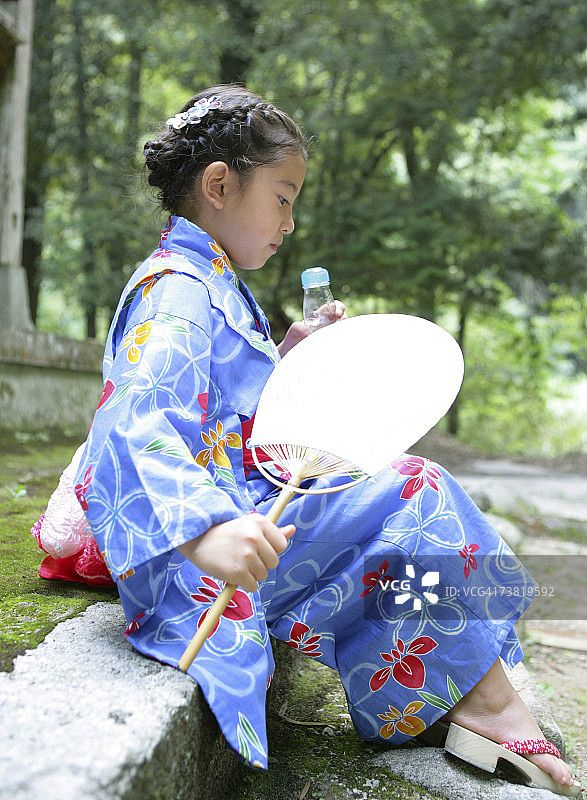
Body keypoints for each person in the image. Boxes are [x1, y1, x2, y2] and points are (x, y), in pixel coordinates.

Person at [33, 85, 578, 795]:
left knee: (396, 482)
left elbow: (228, 408)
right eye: (283, 198)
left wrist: (286, 356)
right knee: (411, 488)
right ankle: (487, 702)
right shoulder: (177, 291)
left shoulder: (207, 277)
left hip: (238, 507)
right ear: (219, 185)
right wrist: (206, 530)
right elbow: (137, 425)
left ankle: (471, 689)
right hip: (201, 543)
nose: (290, 222)